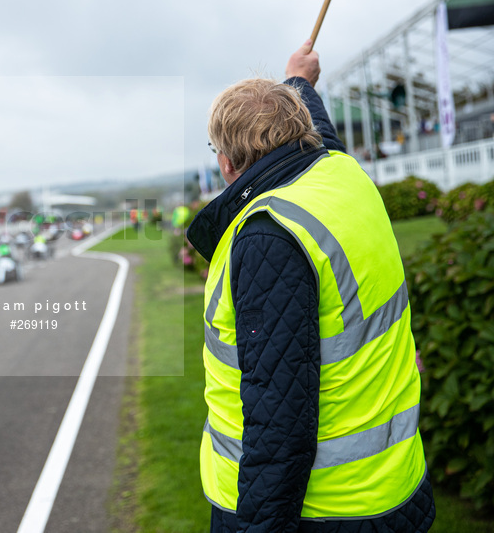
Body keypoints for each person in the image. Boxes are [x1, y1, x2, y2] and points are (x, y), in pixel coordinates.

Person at [186, 40, 434, 532]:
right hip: (392, 489)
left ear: (228, 162)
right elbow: (321, 140)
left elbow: (279, 421)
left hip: (325, 512)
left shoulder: (267, 235)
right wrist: (299, 84)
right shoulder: (343, 177)